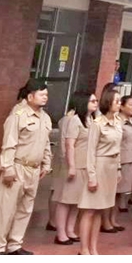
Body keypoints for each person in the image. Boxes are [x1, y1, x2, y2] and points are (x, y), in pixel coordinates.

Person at [0, 79, 53, 255]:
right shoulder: (18, 115)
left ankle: (15, 245)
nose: (45, 97)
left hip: (34, 169)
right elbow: (9, 143)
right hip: (17, 167)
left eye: (46, 94)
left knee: (25, 209)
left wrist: (47, 163)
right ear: (30, 96)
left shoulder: (45, 117)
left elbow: (46, 143)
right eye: (42, 94)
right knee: (6, 209)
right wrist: (7, 168)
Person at [78, 86, 123, 255]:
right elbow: (90, 152)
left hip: (111, 167)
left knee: (100, 209)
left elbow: (118, 148)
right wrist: (92, 176)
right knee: (89, 209)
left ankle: (93, 247)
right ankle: (84, 249)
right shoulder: (97, 124)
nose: (119, 103)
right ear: (108, 102)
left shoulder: (118, 122)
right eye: (116, 101)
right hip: (99, 166)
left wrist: (118, 168)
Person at [51, 92, 96, 244]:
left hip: (85, 165)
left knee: (77, 200)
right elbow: (69, 144)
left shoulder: (91, 120)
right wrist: (71, 166)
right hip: (74, 164)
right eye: (92, 101)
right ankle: (61, 233)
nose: (95, 103)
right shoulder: (74, 120)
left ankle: (70, 229)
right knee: (65, 199)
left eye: (96, 101)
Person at [114, 96, 132, 220]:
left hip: (130, 159)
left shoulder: (131, 121)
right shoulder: (118, 121)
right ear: (122, 107)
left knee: (121, 192)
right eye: (130, 105)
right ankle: (106, 221)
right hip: (120, 160)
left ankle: (113, 219)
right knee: (114, 192)